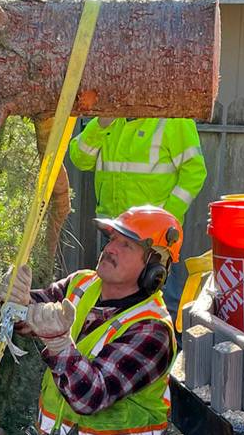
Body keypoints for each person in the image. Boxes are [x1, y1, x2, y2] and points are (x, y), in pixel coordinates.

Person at [0, 205, 182, 435]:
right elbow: (37, 310)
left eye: (126, 244)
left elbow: (89, 396)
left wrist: (59, 344)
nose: (110, 247)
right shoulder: (82, 284)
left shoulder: (152, 331)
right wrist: (14, 303)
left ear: (153, 270)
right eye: (112, 237)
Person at [68, 117, 206, 320]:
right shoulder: (109, 120)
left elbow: (194, 172)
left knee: (163, 303)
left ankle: (172, 348)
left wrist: (165, 221)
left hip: (154, 242)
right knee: (113, 301)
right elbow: (80, 159)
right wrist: (101, 124)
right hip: (115, 233)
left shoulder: (173, 119)